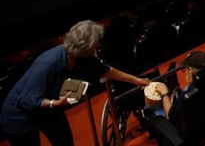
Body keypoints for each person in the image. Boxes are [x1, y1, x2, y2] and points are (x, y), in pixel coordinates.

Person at [1, 20, 150, 146]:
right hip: (20, 116)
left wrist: (137, 80)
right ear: (86, 46)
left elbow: (107, 71)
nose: (98, 45)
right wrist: (54, 103)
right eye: (96, 42)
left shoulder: (83, 57)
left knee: (66, 142)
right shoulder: (48, 62)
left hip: (51, 111)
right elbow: (27, 99)